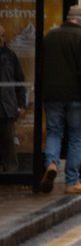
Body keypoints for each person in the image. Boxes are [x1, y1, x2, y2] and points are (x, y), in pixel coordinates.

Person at [41, 5, 81, 194]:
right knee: (75, 139)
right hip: (76, 96)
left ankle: (51, 164)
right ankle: (72, 182)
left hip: (52, 95)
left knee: (53, 132)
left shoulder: (50, 36)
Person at [0, 25, 26, 172]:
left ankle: (11, 171)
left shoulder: (10, 56)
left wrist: (21, 104)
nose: (1, 39)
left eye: (3, 36)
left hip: (7, 106)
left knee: (9, 142)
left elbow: (19, 81)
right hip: (6, 104)